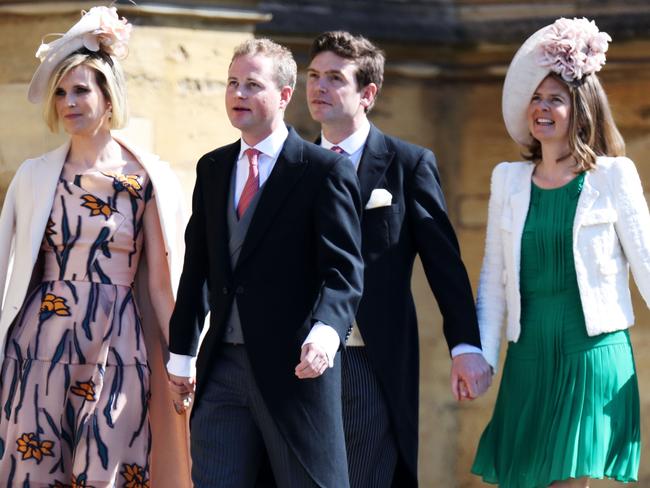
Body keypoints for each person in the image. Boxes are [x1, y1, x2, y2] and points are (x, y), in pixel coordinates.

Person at [0, 7, 191, 487]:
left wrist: (185, 359)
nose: (68, 102)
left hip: (118, 345)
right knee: (31, 472)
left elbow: (161, 285)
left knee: (109, 471)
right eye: (61, 92)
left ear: (109, 96)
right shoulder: (33, 175)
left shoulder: (147, 179)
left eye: (81, 89)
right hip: (37, 345)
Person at [166, 38, 364, 487]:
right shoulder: (212, 167)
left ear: (284, 94)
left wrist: (326, 333)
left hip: (294, 371)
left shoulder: (322, 171)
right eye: (232, 83)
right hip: (222, 371)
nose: (238, 94)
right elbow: (198, 266)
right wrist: (181, 352)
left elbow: (344, 273)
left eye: (252, 84)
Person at [306, 31, 492, 488]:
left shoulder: (408, 164)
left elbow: (444, 264)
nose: (319, 87)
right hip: (297, 356)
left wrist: (466, 347)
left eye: (335, 78)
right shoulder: (290, 163)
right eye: (313, 75)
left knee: (369, 477)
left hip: (373, 357)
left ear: (368, 94)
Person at [472, 17, 650, 487]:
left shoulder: (615, 176)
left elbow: (649, 265)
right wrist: (481, 355)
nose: (542, 108)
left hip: (592, 352)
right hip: (528, 355)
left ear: (583, 109)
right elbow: (494, 278)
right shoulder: (506, 180)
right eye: (536, 98)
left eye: (556, 98)